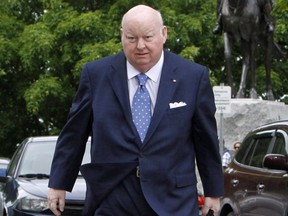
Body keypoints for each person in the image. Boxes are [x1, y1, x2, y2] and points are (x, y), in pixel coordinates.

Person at [48, 4, 224, 216]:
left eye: (148, 37)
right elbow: (73, 135)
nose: (140, 46)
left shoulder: (193, 77)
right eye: (132, 38)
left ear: (164, 34)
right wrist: (59, 183)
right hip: (113, 195)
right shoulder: (96, 75)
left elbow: (206, 140)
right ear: (122, 36)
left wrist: (213, 192)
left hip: (173, 199)